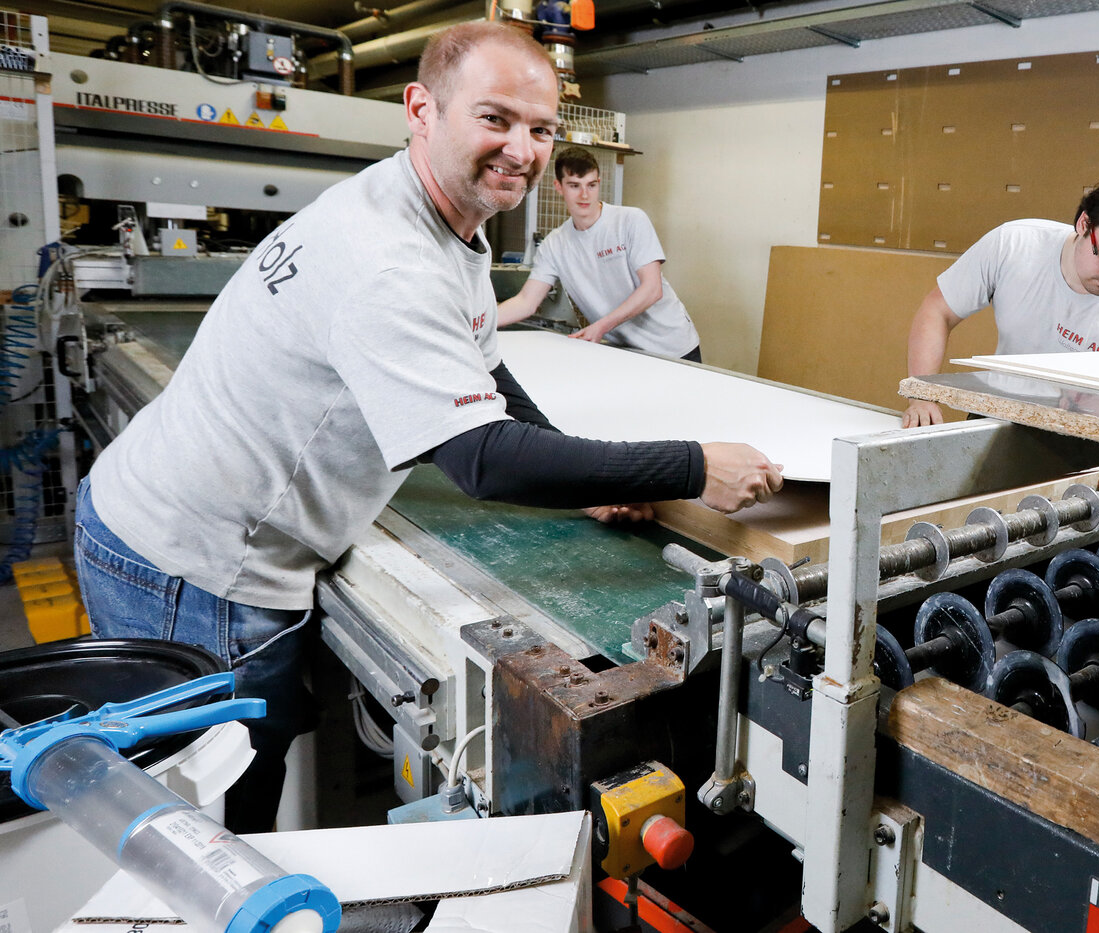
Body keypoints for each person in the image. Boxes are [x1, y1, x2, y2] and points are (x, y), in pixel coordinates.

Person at [72, 22, 782, 834]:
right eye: (495, 119)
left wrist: (585, 487)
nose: (523, 150)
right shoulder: (388, 258)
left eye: (542, 129)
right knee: (218, 832)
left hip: (186, 531)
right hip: (190, 569)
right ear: (421, 108)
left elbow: (486, 373)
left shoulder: (439, 216)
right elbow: (481, 459)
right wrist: (695, 467)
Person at [903, 177, 1099, 429]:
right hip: (997, 409)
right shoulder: (1014, 245)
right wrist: (921, 394)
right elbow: (938, 311)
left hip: (1080, 430)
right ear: (1084, 224)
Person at [498, 146, 703, 361]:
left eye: (591, 185)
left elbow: (652, 289)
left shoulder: (630, 221)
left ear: (599, 182)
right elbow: (526, 301)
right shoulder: (554, 245)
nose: (584, 195)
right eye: (574, 186)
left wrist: (601, 327)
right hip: (626, 351)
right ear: (558, 187)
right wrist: (479, 324)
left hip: (674, 348)